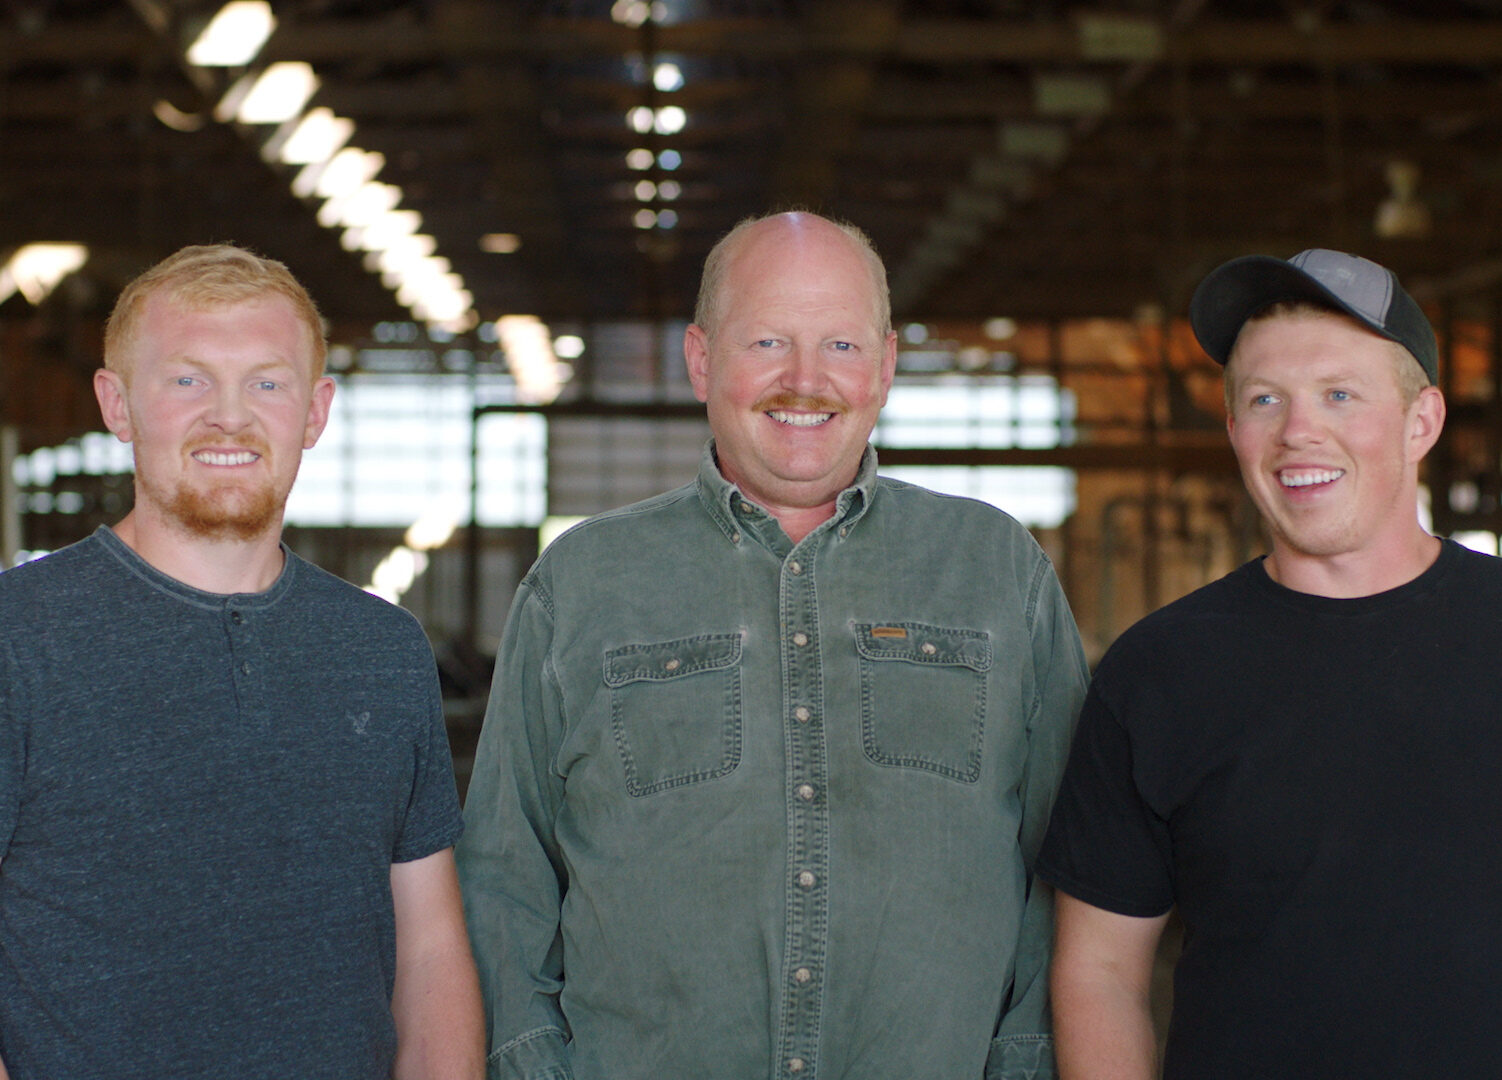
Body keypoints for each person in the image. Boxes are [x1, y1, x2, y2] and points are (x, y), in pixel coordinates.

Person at [456, 210, 1089, 1080]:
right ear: (701, 359)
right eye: (766, 341)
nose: (805, 380)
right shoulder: (581, 584)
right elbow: (504, 873)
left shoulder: (996, 572)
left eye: (841, 344)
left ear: (888, 364)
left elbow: (1069, 864)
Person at [0, 245, 484, 1080]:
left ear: (315, 412)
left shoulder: (382, 652)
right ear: (117, 405)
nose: (230, 416)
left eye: (266, 382)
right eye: (187, 381)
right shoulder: (18, 637)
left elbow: (431, 951)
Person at [1037, 249, 1502, 1078]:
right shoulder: (1159, 672)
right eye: (1264, 400)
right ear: (1234, 431)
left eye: (1339, 395)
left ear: (1421, 422)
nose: (1298, 431)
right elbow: (1100, 972)